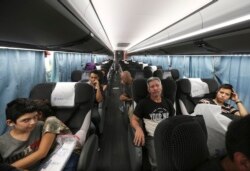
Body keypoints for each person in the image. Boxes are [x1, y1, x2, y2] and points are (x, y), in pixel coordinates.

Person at [130, 77, 175, 171]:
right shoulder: (143, 103)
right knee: (158, 164)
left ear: (161, 87)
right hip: (153, 137)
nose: (155, 88)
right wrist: (138, 129)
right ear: (148, 90)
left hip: (169, 135)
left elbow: (173, 119)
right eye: (152, 87)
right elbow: (133, 119)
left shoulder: (168, 102)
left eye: (157, 85)